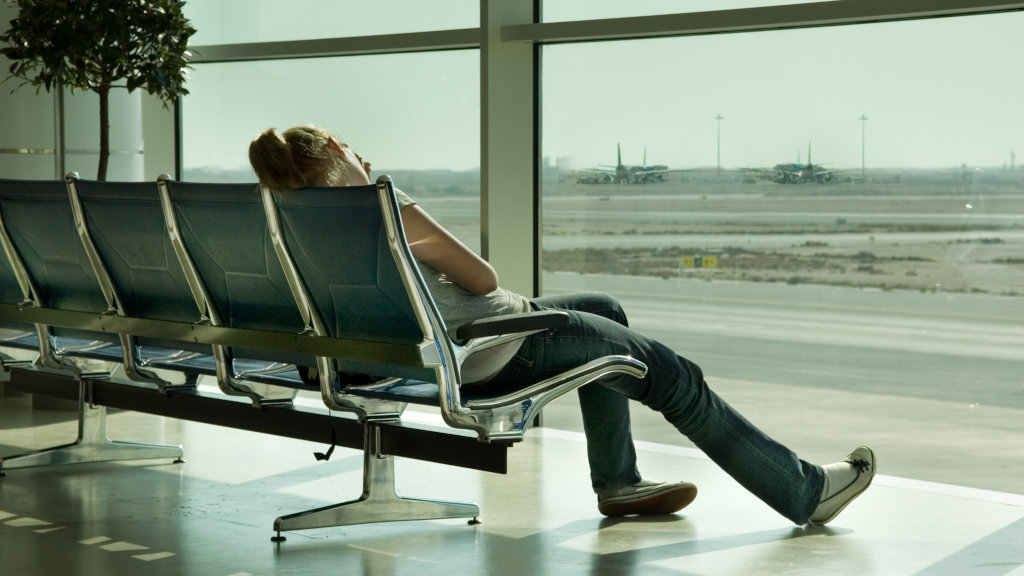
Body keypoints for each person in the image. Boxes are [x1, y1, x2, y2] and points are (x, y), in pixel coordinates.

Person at [248, 125, 876, 526]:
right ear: (336, 150)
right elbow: (483, 280)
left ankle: (619, 483)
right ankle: (804, 491)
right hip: (492, 347)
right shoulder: (382, 207)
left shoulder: (288, 228)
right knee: (675, 377)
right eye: (351, 146)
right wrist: (376, 188)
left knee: (603, 306)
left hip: (396, 359)